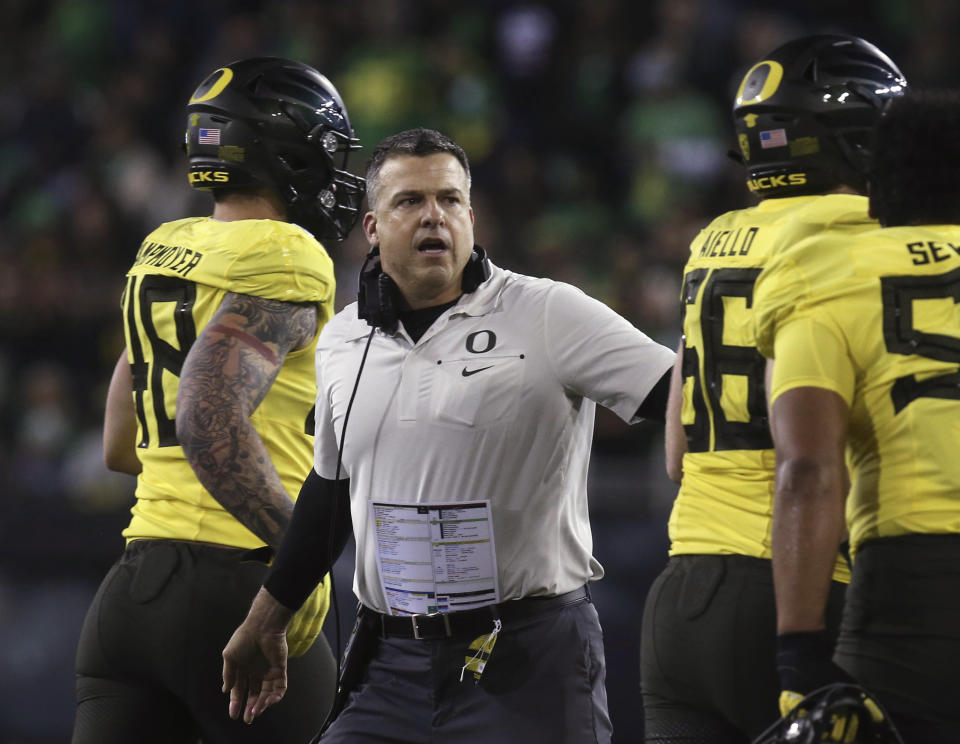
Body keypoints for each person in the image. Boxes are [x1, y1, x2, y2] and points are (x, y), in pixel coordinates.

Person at [220, 127, 676, 743]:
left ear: (470, 215)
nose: (434, 215)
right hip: (390, 662)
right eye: (410, 201)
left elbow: (685, 398)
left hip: (526, 657)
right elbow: (329, 497)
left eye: (450, 200)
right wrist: (266, 619)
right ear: (373, 227)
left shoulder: (546, 312)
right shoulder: (344, 338)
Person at [72, 57, 365, 744]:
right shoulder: (287, 251)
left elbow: (122, 443)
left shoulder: (166, 246)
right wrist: (301, 562)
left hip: (131, 588)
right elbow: (207, 420)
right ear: (286, 149)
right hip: (234, 583)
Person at [641, 35, 907, 743]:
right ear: (858, 140)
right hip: (799, 589)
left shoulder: (711, 242)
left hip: (679, 598)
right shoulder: (868, 242)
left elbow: (676, 454)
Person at [754, 90, 960, 744]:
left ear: (874, 188)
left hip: (912, 594)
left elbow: (809, 468)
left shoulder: (827, 271)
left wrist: (798, 650)